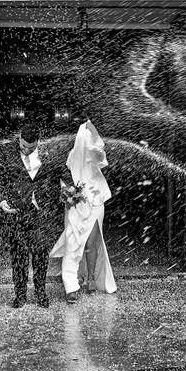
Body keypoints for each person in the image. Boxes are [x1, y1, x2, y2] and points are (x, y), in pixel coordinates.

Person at [50, 121, 117, 304]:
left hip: (95, 204)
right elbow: (65, 175)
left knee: (91, 243)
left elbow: (101, 153)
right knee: (73, 242)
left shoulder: (95, 153)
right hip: (76, 205)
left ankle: (91, 278)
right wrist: (69, 194)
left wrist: (92, 128)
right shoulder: (72, 155)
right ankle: (71, 284)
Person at [0, 123, 58, 309]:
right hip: (17, 211)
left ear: (37, 143)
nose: (25, 150)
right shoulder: (5, 152)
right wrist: (1, 199)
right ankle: (20, 295)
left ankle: (41, 293)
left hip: (40, 212)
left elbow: (55, 177)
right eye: (23, 146)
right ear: (19, 139)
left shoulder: (48, 154)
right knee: (18, 255)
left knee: (41, 255)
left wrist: (52, 200)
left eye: (30, 148)